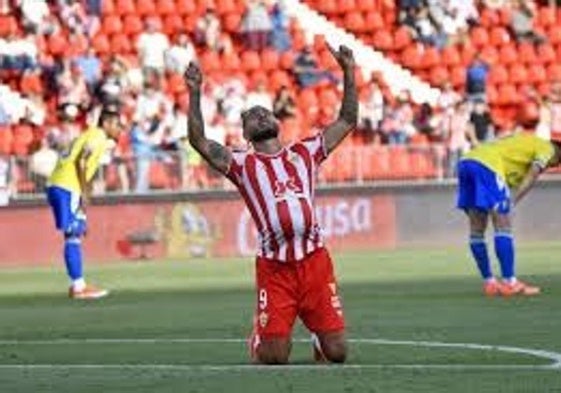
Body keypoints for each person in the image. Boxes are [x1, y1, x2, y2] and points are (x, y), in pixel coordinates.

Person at [184, 43, 357, 364]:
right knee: (273, 358)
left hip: (315, 262)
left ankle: (320, 339)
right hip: (276, 269)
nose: (258, 114)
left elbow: (347, 120)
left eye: (263, 111)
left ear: (276, 121)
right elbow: (199, 141)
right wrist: (194, 93)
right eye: (250, 116)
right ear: (246, 134)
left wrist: (348, 71)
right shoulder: (241, 164)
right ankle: (261, 338)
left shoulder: (305, 152)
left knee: (338, 353)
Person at [456, 102, 561, 297]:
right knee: (502, 223)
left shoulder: (524, 144)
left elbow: (510, 173)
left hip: (467, 161)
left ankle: (489, 282)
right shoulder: (547, 149)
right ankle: (510, 282)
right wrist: (512, 201)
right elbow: (532, 175)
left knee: (477, 229)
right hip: (488, 165)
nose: (553, 165)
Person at [46, 107, 122, 299]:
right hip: (67, 186)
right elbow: (82, 160)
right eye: (116, 124)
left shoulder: (92, 135)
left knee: (75, 232)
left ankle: (78, 284)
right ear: (105, 124)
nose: (119, 128)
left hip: (60, 184)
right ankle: (78, 287)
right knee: (73, 234)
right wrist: (84, 189)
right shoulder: (97, 136)